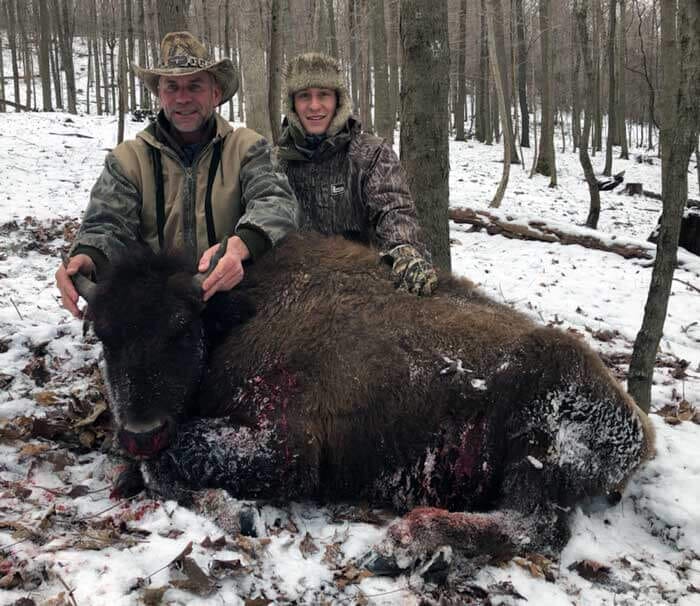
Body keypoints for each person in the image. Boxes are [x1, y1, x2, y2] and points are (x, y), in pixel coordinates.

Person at [56, 31, 299, 316]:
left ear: (216, 94)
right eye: (172, 87)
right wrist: (88, 257)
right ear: (160, 94)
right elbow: (107, 224)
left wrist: (241, 245)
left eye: (195, 86)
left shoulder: (247, 147)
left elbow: (276, 202)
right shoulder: (128, 160)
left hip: (234, 299)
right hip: (156, 311)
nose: (182, 98)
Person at [276, 52, 438, 296]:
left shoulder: (370, 154)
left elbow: (393, 209)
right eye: (304, 96)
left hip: (360, 288)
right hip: (293, 289)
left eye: (324, 95)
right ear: (292, 104)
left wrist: (404, 250)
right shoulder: (277, 162)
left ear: (338, 101)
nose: (314, 106)